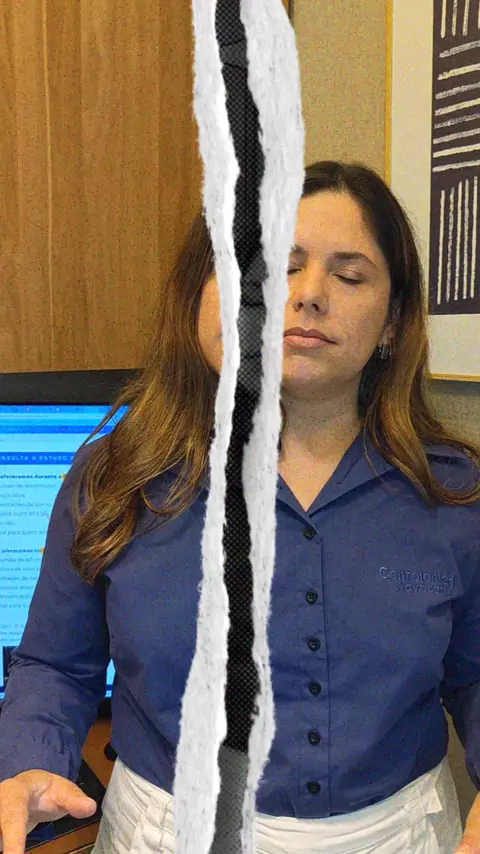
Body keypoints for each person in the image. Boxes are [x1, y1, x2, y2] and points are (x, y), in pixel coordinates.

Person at [0, 160, 479, 854]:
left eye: (348, 276)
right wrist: (29, 762)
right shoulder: (115, 477)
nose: (306, 295)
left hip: (397, 835)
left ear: (392, 323)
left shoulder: (455, 495)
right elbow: (56, 664)